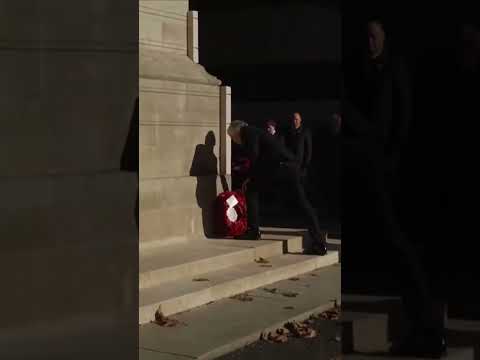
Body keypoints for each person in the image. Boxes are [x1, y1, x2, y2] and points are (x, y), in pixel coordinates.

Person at [343, 17, 446, 357]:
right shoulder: (368, 71)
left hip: (394, 174)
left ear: (386, 35)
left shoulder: (395, 70)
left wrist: (393, 164)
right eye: (366, 37)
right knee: (400, 255)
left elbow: (400, 123)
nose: (369, 42)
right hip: (380, 173)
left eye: (373, 35)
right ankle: (425, 331)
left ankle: (429, 332)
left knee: (406, 254)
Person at [227, 120, 328, 255]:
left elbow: (254, 157)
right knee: (303, 204)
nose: (234, 141)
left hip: (281, 169)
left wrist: (249, 178)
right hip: (289, 167)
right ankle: (319, 243)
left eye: (232, 137)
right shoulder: (256, 131)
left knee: (251, 189)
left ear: (236, 131)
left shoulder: (248, 132)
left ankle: (253, 230)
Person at [284, 113, 312, 181]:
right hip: (290, 165)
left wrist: (305, 166)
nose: (294, 121)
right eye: (293, 119)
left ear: (300, 120)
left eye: (296, 119)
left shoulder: (305, 131)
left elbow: (309, 150)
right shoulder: (288, 132)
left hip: (300, 166)